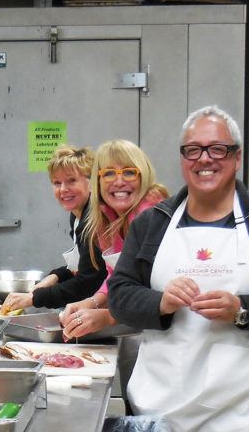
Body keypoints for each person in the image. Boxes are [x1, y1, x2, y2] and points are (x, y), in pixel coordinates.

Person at [107, 106, 249, 432]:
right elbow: (120, 296)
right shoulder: (152, 225)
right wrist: (160, 302)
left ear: (237, 158)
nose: (204, 159)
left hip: (244, 408)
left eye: (218, 149)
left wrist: (241, 309)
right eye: (193, 150)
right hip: (159, 406)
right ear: (182, 159)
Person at [60, 139, 168, 339]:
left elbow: (153, 292)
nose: (119, 182)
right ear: (98, 181)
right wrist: (92, 303)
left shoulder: (153, 218)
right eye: (108, 173)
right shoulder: (105, 217)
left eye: (128, 172)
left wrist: (108, 317)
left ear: (143, 176)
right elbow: (117, 276)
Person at [1, 143, 107, 313]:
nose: (63, 189)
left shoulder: (95, 217)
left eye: (71, 180)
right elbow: (83, 266)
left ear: (91, 182)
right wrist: (56, 275)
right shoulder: (77, 215)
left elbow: (88, 282)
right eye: (57, 183)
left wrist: (34, 298)